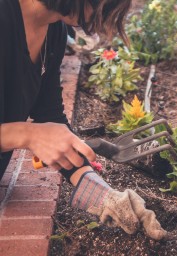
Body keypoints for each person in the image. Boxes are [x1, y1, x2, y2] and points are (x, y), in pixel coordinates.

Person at [0, 0, 167, 240]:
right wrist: (27, 134)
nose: (98, 18)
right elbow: (37, 131)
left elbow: (51, 117)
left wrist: (105, 196)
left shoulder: (53, 30)